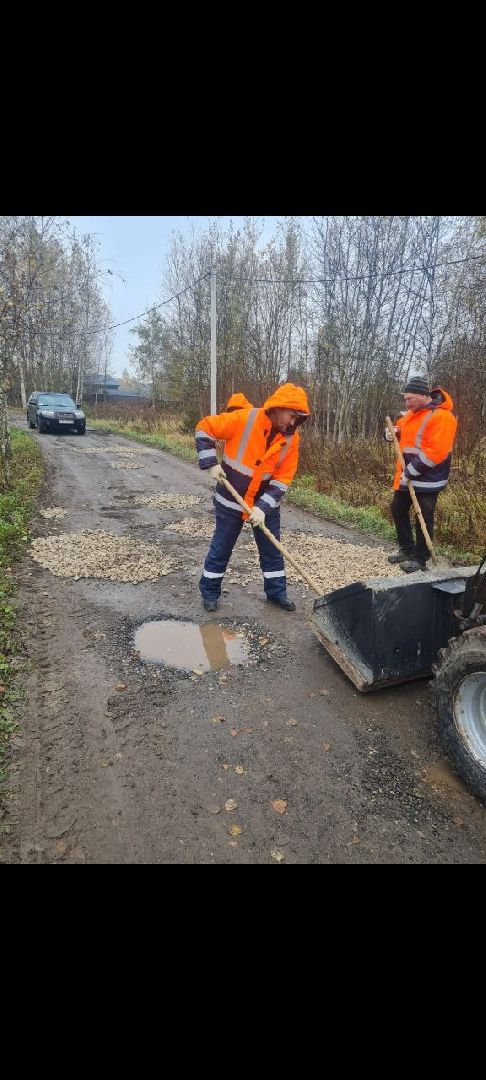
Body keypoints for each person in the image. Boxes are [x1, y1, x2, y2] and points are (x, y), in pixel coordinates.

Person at [196, 383, 310, 611]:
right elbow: (204, 428)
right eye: (291, 416)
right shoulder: (244, 419)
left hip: (264, 505)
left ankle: (276, 592)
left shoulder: (291, 439)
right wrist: (210, 463)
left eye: (297, 418)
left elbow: (283, 479)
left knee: (271, 549)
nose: (292, 422)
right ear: (279, 407)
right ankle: (209, 593)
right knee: (222, 547)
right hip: (231, 500)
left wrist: (262, 508)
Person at [385, 376, 458, 572]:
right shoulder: (411, 414)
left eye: (410, 399)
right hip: (407, 476)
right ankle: (406, 549)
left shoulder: (443, 417)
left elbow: (436, 452)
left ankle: (420, 558)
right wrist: (392, 432)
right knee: (398, 509)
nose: (406, 403)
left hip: (428, 479)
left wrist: (411, 471)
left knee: (423, 517)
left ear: (423, 395)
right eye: (405, 399)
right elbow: (401, 429)